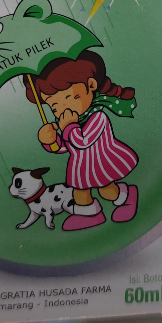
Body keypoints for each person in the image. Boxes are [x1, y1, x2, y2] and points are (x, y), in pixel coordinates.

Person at [27, 49, 139, 231]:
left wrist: (68, 126)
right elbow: (66, 147)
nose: (62, 108)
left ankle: (127, 196)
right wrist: (50, 141)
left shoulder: (98, 117)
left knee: (107, 191)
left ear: (91, 85)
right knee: (79, 194)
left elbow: (82, 142)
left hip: (101, 163)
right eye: (54, 106)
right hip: (80, 167)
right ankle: (91, 215)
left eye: (69, 97)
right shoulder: (70, 122)